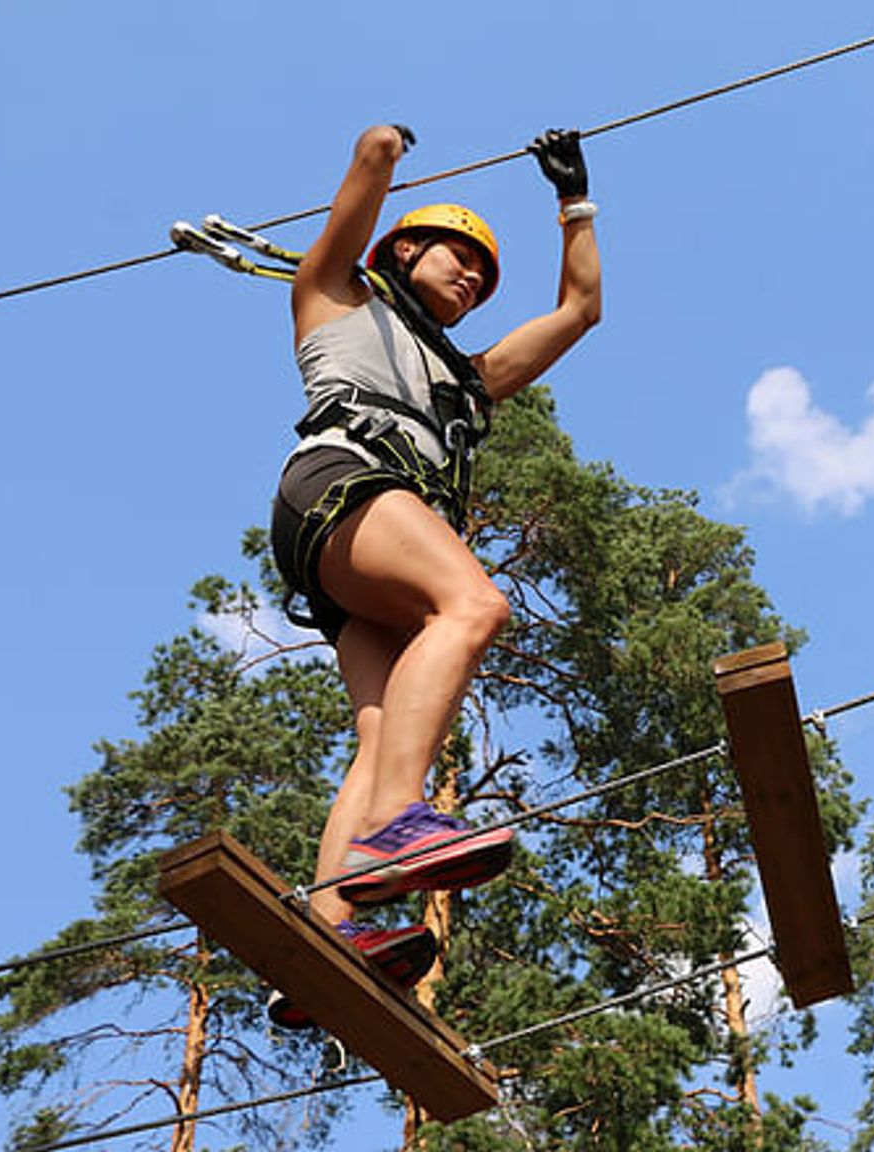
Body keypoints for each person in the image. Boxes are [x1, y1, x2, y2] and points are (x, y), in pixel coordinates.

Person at [265, 123, 600, 1026]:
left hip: (357, 554)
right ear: (406, 247)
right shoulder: (335, 298)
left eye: (487, 278)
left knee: (377, 740)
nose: (475, 280)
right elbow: (364, 175)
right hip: (342, 489)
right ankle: (395, 832)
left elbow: (578, 313)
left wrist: (575, 203)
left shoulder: (468, 378)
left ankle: (332, 924)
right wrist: (382, 147)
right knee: (474, 603)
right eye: (463, 259)